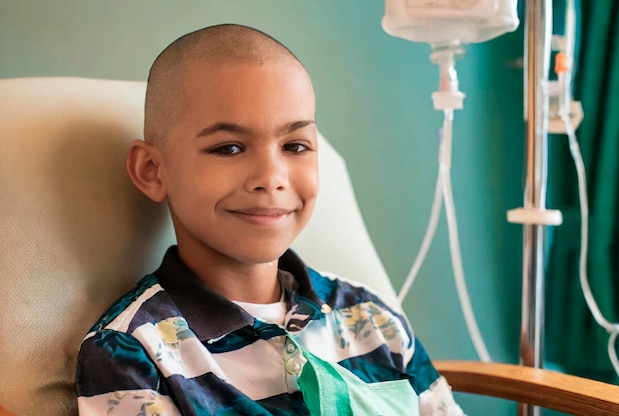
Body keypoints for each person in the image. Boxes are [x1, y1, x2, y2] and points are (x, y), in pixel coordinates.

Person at [75, 23, 464, 415]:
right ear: (152, 171)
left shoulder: (372, 320)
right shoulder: (131, 351)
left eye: (295, 145)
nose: (271, 178)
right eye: (228, 148)